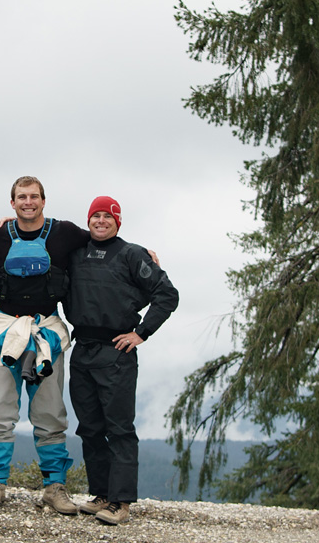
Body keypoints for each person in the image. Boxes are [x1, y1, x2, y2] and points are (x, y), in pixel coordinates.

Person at [0, 176, 91, 514]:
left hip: (46, 331)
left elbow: (104, 241)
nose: (28, 202)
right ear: (12, 203)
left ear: (44, 200)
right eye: (21, 197)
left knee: (50, 411)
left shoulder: (66, 232)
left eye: (34, 197)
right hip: (5, 329)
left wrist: (142, 252)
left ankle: (54, 487)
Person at [65, 196, 179, 525]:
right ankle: (101, 494)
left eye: (108, 216)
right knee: (89, 428)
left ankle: (121, 502)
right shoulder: (76, 252)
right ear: (88, 220)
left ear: (118, 220)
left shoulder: (131, 254)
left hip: (117, 351)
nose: (101, 221)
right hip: (82, 348)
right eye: (95, 216)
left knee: (119, 429)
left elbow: (166, 294)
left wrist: (141, 332)